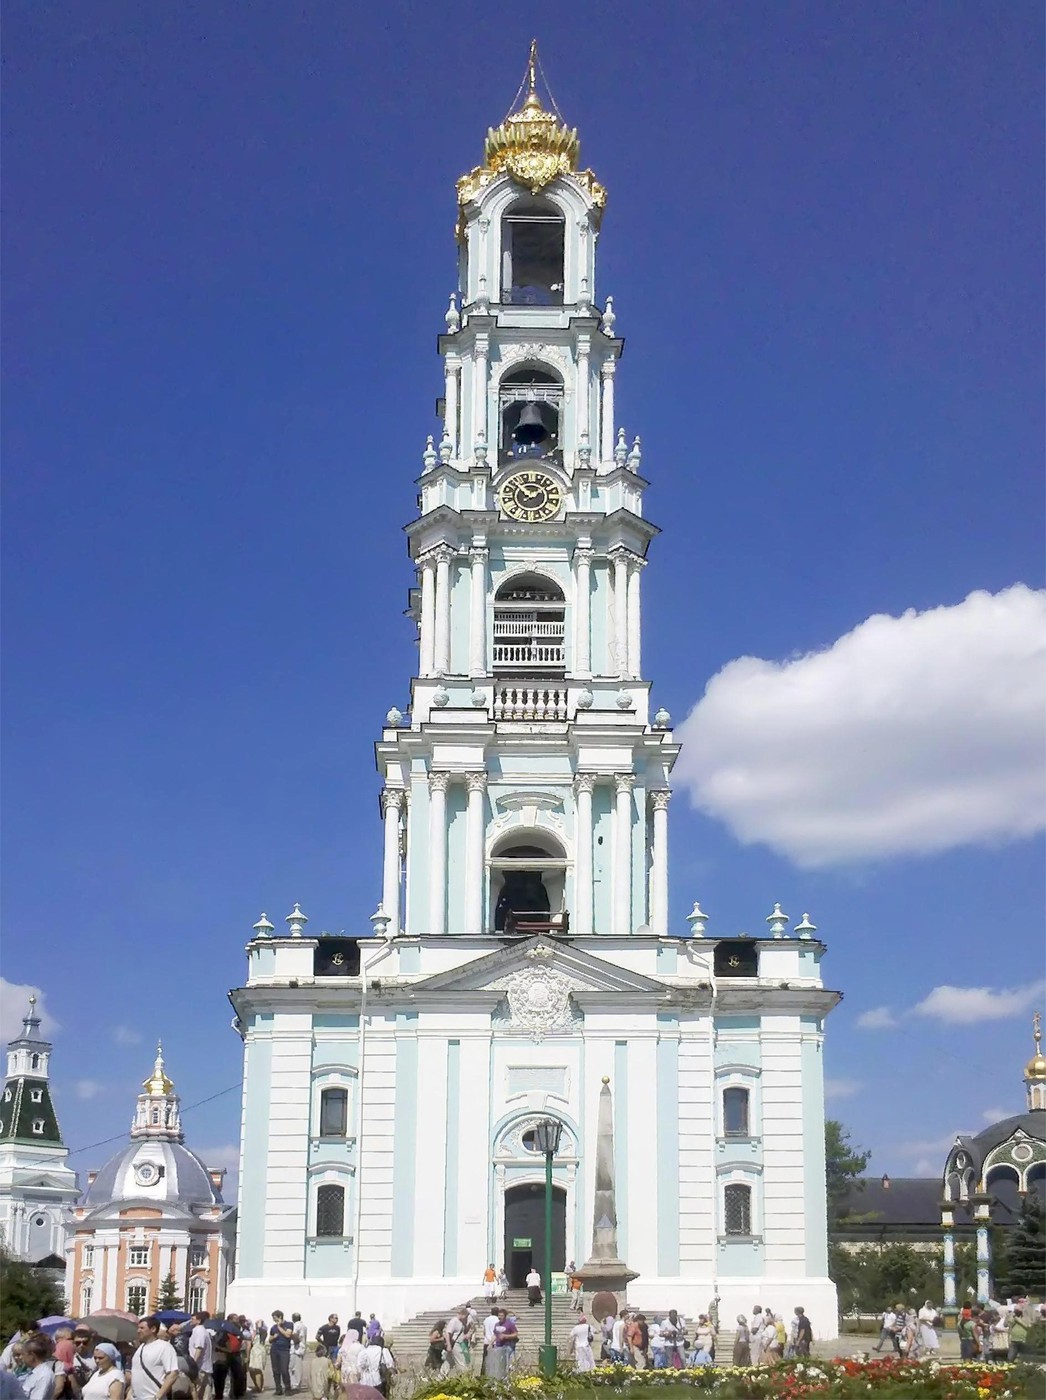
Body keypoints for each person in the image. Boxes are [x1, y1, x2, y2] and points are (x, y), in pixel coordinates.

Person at [130, 1318, 179, 1400]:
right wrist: (130, 1394)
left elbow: (173, 1373)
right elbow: (137, 1374)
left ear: (153, 1329)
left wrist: (158, 1396)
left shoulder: (164, 1347)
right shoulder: (140, 1348)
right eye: (138, 1328)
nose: (138, 1331)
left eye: (142, 1328)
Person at [267, 1315, 293, 1398]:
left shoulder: (289, 1324)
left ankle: (288, 1388)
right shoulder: (273, 1327)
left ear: (280, 1317)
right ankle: (278, 1388)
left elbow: (288, 1335)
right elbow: (269, 1340)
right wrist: (273, 1337)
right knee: (275, 1370)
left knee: (284, 1370)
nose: (274, 1320)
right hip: (274, 1349)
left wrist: (279, 1327)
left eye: (275, 1318)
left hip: (284, 1350)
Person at [187, 1316, 213, 1400]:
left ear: (199, 1320)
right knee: (205, 1394)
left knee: (197, 1392)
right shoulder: (202, 1331)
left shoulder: (199, 1331)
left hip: (200, 1367)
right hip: (204, 1367)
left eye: (193, 1319)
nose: (190, 1321)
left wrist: (193, 1364)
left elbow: (199, 1348)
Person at [288, 1319, 305, 1396]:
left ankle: (295, 1385)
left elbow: (296, 1337)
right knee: (297, 1368)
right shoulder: (304, 1326)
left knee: (293, 1369)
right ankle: (296, 1384)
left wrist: (290, 1335)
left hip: (295, 1349)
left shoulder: (296, 1326)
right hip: (300, 1349)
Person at [246, 1328, 266, 1396]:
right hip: (255, 1351)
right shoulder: (256, 1333)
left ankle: (259, 1387)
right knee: (253, 1370)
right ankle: (257, 1386)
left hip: (257, 1352)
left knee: (257, 1370)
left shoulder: (261, 1333)